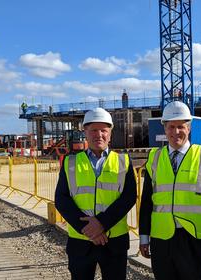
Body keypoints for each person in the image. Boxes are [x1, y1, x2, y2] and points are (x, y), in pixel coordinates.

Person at [139, 101, 201, 280]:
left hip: (194, 238)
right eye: (171, 127)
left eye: (180, 127)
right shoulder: (154, 158)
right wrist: (144, 236)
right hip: (161, 238)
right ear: (164, 128)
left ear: (189, 128)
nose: (175, 132)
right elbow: (147, 201)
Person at [55, 107, 137, 280]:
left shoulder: (123, 161)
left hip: (113, 241)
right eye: (93, 130)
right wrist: (88, 229)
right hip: (81, 241)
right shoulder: (70, 162)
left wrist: (101, 224)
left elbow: (128, 197)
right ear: (85, 131)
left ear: (110, 133)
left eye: (103, 130)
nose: (98, 135)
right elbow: (61, 199)